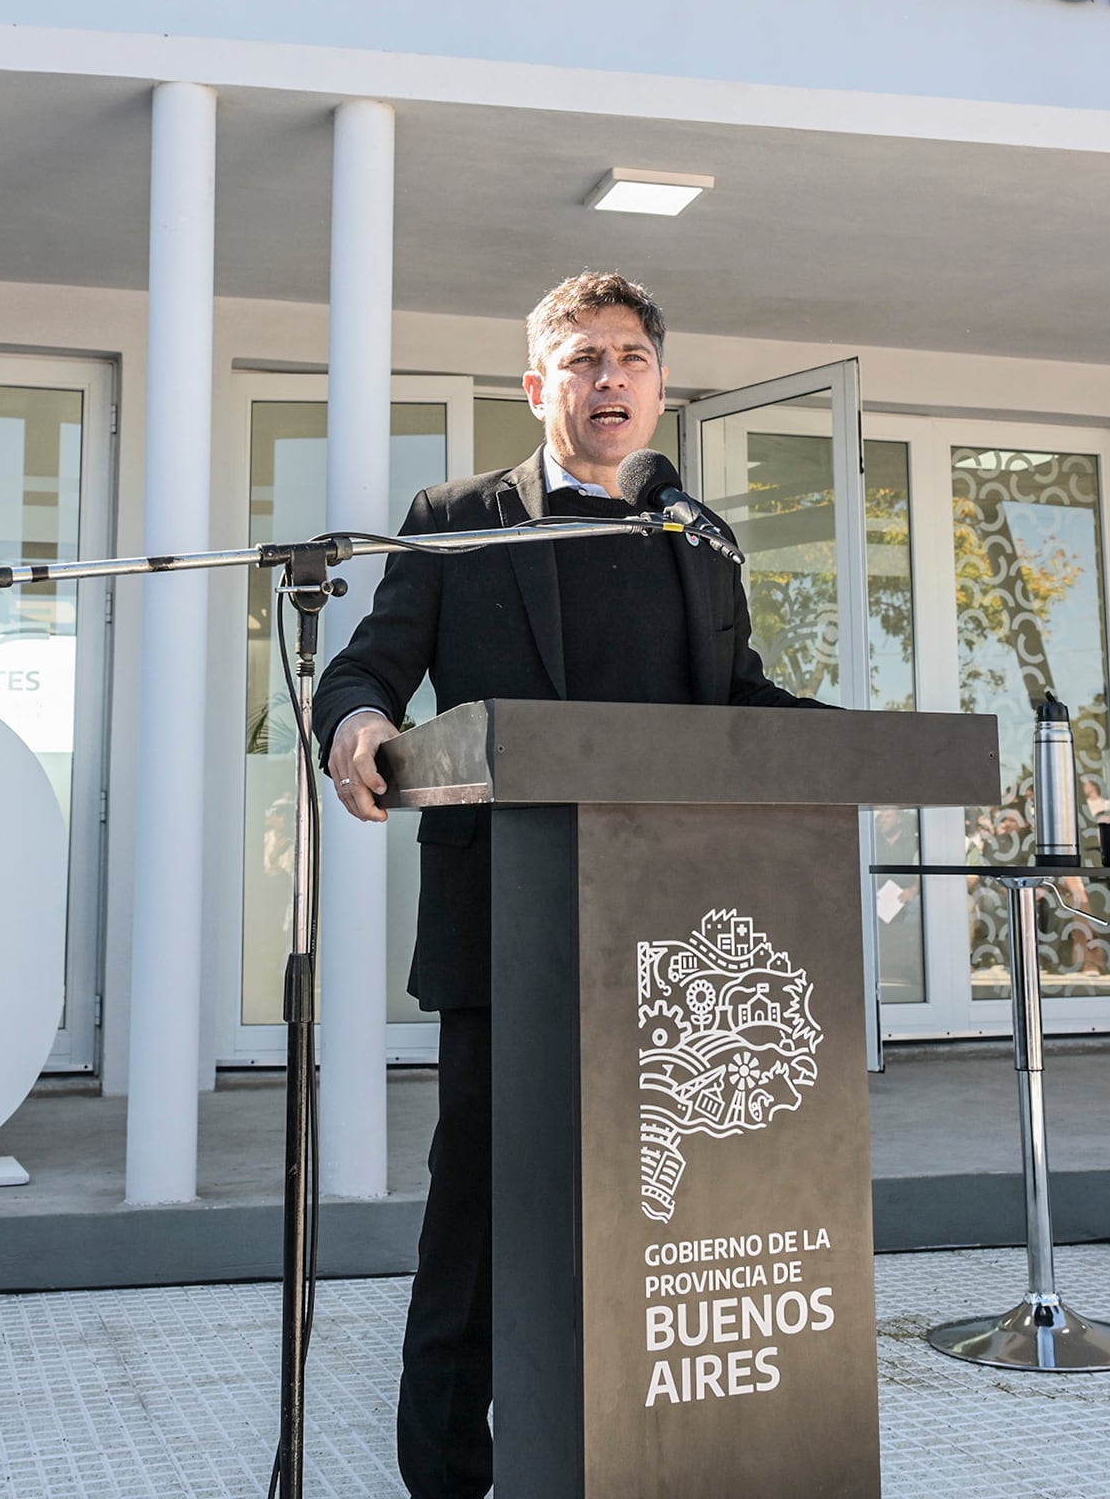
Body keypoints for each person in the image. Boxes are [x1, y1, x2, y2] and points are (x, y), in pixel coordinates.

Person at [314, 269, 823, 1499]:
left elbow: (735, 695)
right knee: (480, 1227)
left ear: (660, 386)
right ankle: (447, 1474)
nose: (611, 378)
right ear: (537, 384)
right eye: (585, 358)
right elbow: (368, 666)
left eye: (632, 358)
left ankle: (630, 1452)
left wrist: (847, 736)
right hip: (510, 933)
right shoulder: (457, 515)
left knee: (658, 1220)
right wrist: (359, 720)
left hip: (676, 945)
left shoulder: (693, 531)